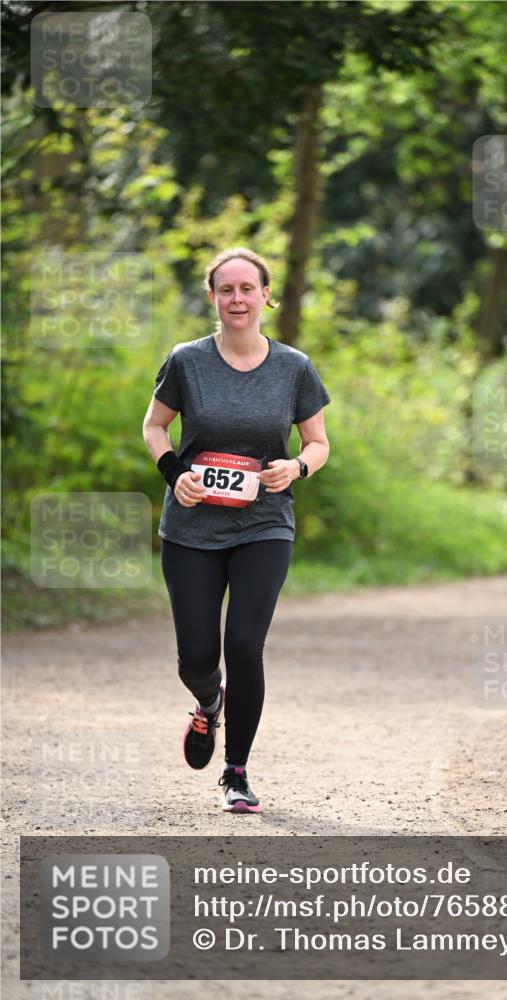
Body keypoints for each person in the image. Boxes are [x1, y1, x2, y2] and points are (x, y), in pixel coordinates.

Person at [142, 247, 331, 813]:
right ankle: (208, 700)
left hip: (264, 524)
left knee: (245, 643)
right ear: (212, 298)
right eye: (227, 290)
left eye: (248, 289)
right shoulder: (186, 361)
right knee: (196, 657)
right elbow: (155, 426)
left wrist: (296, 467)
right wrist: (174, 472)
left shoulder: (294, 367)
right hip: (192, 528)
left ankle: (237, 772)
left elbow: (318, 443)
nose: (238, 299)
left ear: (266, 295)